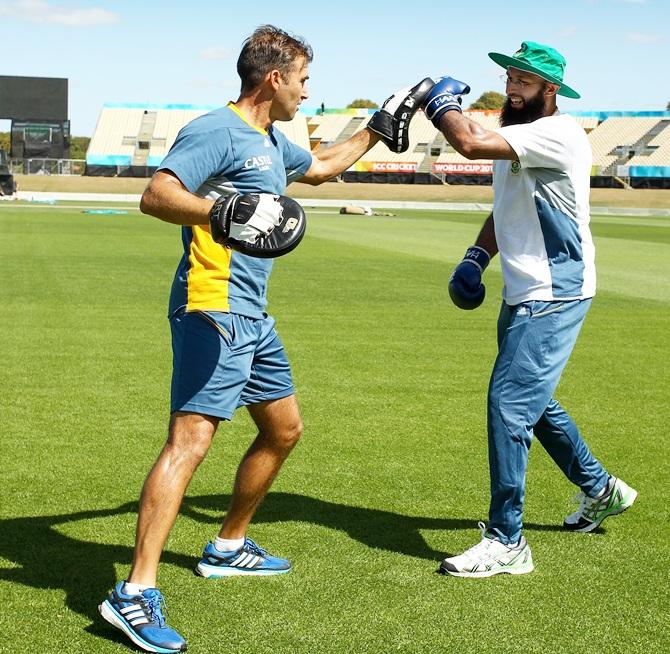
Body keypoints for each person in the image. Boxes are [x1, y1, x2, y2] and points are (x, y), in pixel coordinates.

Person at [97, 24, 429, 653]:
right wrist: (223, 212)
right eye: (303, 80)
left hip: (254, 313)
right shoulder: (214, 130)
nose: (306, 92)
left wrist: (382, 124)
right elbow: (156, 194)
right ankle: (134, 594)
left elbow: (326, 166)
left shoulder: (275, 140)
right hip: (213, 305)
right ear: (274, 78)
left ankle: (226, 546)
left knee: (282, 429)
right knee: (189, 444)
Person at [420, 41, 637, 577]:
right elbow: (506, 207)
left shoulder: (556, 133)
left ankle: (507, 540)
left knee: (508, 405)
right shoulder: (517, 137)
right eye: (511, 77)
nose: (513, 86)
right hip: (526, 287)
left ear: (550, 89)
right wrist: (476, 257)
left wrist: (438, 103)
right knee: (532, 402)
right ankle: (600, 488)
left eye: (525, 79)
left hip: (554, 289)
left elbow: (467, 143)